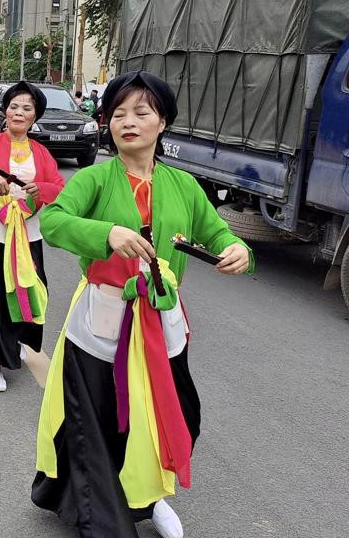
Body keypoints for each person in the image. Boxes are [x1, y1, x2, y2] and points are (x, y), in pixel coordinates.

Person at [31, 70, 253, 538]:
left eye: (141, 112)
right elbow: (52, 221)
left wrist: (238, 250)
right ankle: (106, 518)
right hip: (102, 320)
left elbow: (218, 233)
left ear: (163, 122)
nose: (127, 121)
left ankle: (152, 499)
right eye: (117, 113)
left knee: (171, 415)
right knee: (99, 421)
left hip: (161, 323)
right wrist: (105, 234)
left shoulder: (185, 186)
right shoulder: (94, 178)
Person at [0, 81, 64, 392]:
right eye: (14, 106)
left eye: (26, 108)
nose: (19, 112)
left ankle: (15, 340)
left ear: (35, 117)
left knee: (28, 292)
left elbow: (58, 186)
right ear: (6, 111)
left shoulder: (41, 153)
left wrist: (39, 189)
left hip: (27, 236)